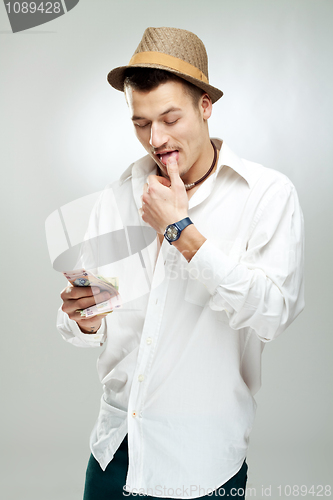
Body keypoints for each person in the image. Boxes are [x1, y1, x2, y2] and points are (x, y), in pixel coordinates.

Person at [57, 27, 304, 500]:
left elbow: (273, 313)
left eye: (171, 118)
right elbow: (88, 323)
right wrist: (82, 316)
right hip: (116, 452)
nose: (156, 138)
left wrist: (182, 232)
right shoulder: (117, 196)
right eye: (141, 123)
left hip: (203, 463)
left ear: (205, 106)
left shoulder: (267, 196)